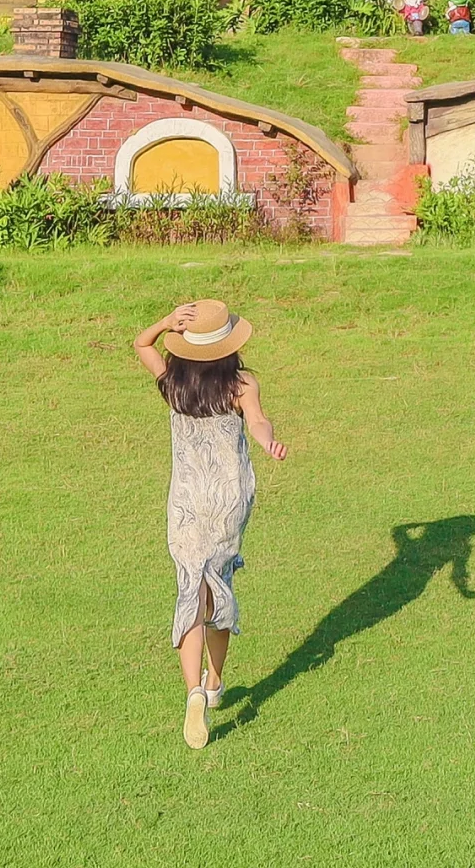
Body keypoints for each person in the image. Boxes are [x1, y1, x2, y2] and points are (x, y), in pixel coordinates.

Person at [133, 299, 287, 750]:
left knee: (190, 587)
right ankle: (215, 681)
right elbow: (258, 422)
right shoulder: (240, 384)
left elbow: (141, 344)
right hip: (227, 500)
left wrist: (164, 322)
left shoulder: (173, 382)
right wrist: (269, 442)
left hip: (185, 502)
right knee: (218, 583)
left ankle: (194, 693)